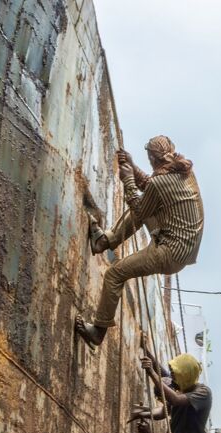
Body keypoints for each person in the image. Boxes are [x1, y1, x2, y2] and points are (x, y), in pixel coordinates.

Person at [75, 136, 204, 348]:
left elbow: (140, 206)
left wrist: (128, 180)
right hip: (183, 247)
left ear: (152, 159)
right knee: (143, 204)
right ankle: (104, 241)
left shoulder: (160, 182)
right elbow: (151, 189)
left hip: (170, 252)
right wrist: (133, 167)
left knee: (115, 274)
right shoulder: (184, 171)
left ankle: (98, 331)